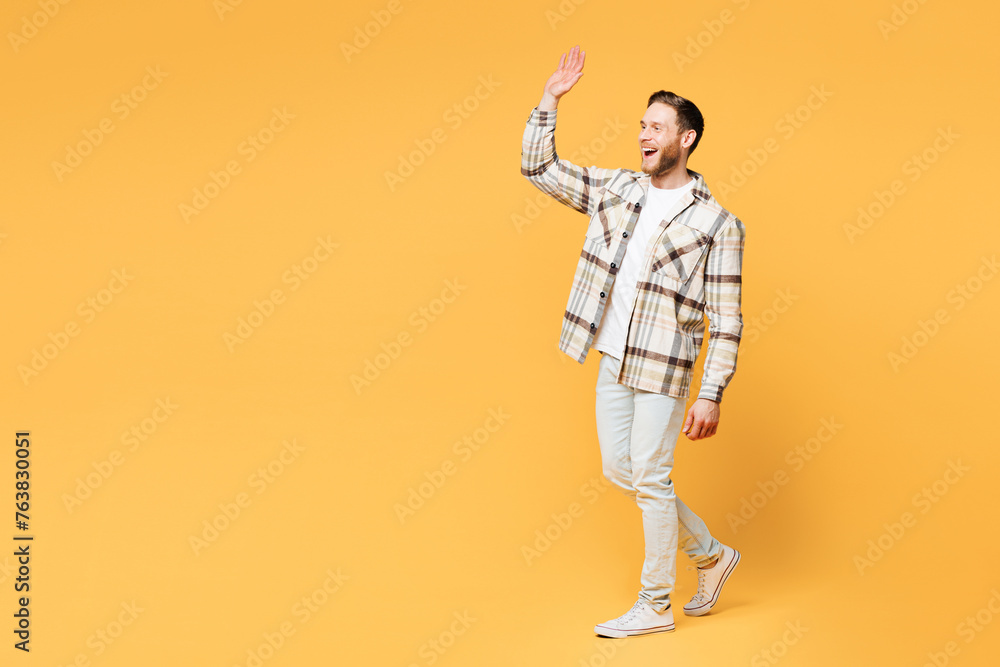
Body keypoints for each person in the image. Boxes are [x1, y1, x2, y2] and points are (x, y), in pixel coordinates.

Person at [520, 45, 747, 638]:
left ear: (687, 138)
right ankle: (712, 556)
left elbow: (727, 320)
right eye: (641, 125)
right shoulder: (616, 189)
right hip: (613, 356)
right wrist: (551, 98)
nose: (643, 134)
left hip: (666, 368)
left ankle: (655, 603)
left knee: (650, 476)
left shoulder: (717, 225)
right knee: (622, 470)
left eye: (656, 126)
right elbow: (538, 167)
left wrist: (712, 393)